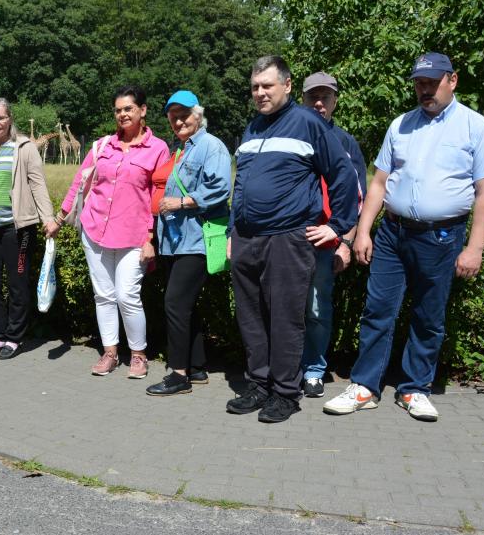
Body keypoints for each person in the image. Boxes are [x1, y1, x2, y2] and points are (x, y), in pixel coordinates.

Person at [323, 52, 484, 422]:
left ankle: (414, 389)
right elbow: (379, 182)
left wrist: (474, 247)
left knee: (428, 316)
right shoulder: (400, 125)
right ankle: (364, 386)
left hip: (441, 236)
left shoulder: (477, 127)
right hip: (392, 233)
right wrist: (364, 231)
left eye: (432, 83)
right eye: (419, 83)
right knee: (377, 310)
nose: (424, 90)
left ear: (452, 80)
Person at [226, 56, 358, 423]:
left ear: (286, 85)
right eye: (255, 87)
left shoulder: (308, 123)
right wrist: (233, 231)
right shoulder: (252, 128)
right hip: (248, 239)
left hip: (287, 238)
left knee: (285, 318)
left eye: (267, 85)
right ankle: (258, 385)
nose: (260, 93)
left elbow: (343, 176)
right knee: (251, 317)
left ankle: (285, 392)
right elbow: (242, 184)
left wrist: (338, 226)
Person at [46, 85, 170, 378]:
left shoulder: (158, 148)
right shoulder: (102, 146)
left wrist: (151, 238)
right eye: (118, 110)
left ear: (143, 110)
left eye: (128, 108)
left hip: (133, 236)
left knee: (127, 295)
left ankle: (138, 355)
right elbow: (80, 183)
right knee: (103, 295)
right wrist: (59, 218)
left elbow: (158, 195)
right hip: (95, 230)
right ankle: (110, 352)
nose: (123, 114)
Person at [145, 91, 231, 396]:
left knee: (175, 304)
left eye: (185, 114)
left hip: (196, 240)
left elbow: (221, 187)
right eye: (173, 116)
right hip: (175, 243)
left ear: (199, 115)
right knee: (186, 307)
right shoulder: (182, 149)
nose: (179, 120)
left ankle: (178, 374)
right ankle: (196, 368)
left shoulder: (211, 146)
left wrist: (181, 202)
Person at [0, 98, 55, 360]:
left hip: (18, 230)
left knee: (17, 282)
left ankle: (14, 338)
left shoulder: (24, 148)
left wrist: (47, 218)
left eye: (1, 117)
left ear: (10, 119)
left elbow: (37, 184)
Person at [300, 73, 367, 398]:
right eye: (313, 96)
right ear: (301, 98)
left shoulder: (345, 143)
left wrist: (345, 241)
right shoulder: (290, 136)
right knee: (282, 305)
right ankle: (286, 366)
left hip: (326, 243)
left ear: (335, 101)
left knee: (315, 307)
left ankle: (313, 368)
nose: (318, 103)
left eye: (325, 97)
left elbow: (356, 199)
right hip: (286, 240)